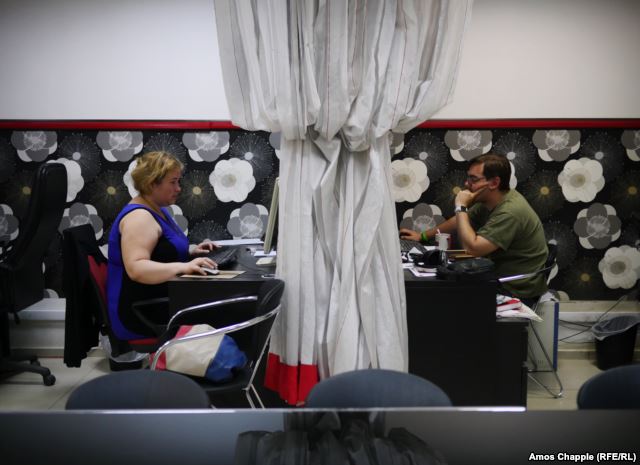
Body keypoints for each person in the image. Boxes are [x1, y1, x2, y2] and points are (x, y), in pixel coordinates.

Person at [399, 153, 548, 302]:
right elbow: (457, 221)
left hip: (514, 288)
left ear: (494, 183)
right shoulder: (492, 200)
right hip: (496, 274)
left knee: (438, 298)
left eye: (473, 179)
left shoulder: (510, 212)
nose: (466, 183)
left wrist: (461, 206)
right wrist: (422, 236)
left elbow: (473, 249)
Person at [107, 151, 219, 340]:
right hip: (141, 312)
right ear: (152, 183)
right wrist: (184, 267)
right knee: (222, 308)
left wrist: (191, 250)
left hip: (157, 301)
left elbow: (160, 250)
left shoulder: (156, 209)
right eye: (173, 182)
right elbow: (137, 268)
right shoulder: (139, 218)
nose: (179, 188)